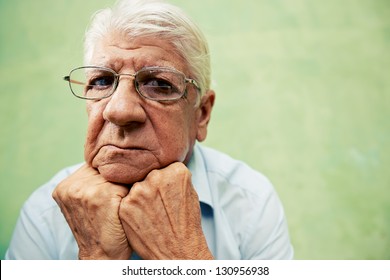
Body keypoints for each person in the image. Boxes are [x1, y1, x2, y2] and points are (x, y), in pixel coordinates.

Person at [6, 0, 293, 260]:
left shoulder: (250, 203)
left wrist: (181, 258)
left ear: (202, 114)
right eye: (103, 81)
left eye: (158, 83)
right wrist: (98, 259)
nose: (119, 111)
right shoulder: (45, 211)